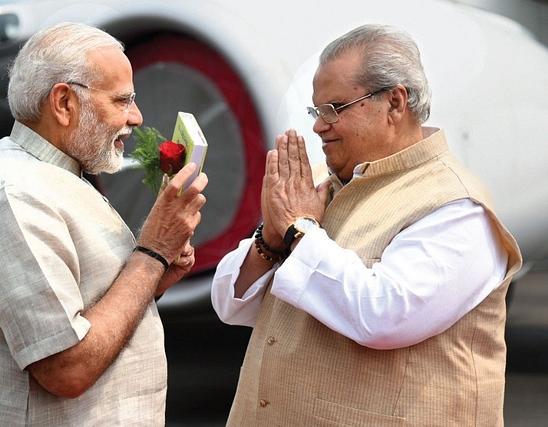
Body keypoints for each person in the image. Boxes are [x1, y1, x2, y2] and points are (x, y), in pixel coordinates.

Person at [211, 23, 522, 426]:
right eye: (316, 111)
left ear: (394, 103)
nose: (320, 125)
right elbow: (229, 304)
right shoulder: (324, 182)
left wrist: (299, 230)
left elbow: (384, 316)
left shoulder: (457, 205)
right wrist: (272, 237)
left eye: (334, 109)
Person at [0, 22, 207, 426]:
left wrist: (158, 271)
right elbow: (66, 369)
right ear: (64, 103)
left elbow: (86, 307)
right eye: (122, 100)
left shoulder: (52, 176)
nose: (136, 117)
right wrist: (151, 252)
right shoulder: (15, 196)